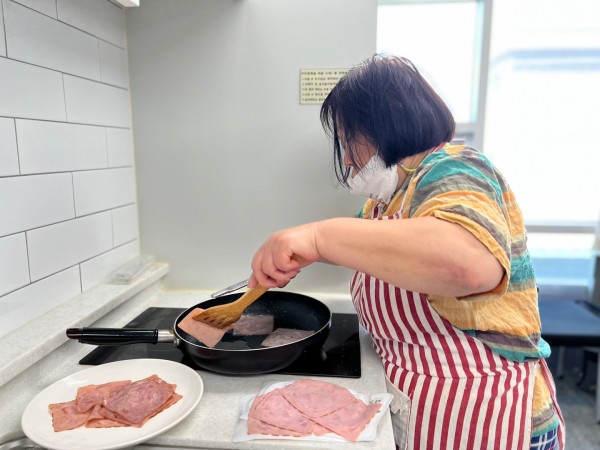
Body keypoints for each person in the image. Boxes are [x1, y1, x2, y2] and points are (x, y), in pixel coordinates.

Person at [247, 54, 565, 450]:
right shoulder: (388, 203)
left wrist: (316, 237)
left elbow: (467, 264)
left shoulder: (455, 167)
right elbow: (368, 245)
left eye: (348, 140)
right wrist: (298, 252)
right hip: (429, 413)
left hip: (492, 417)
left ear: (384, 122)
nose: (346, 158)